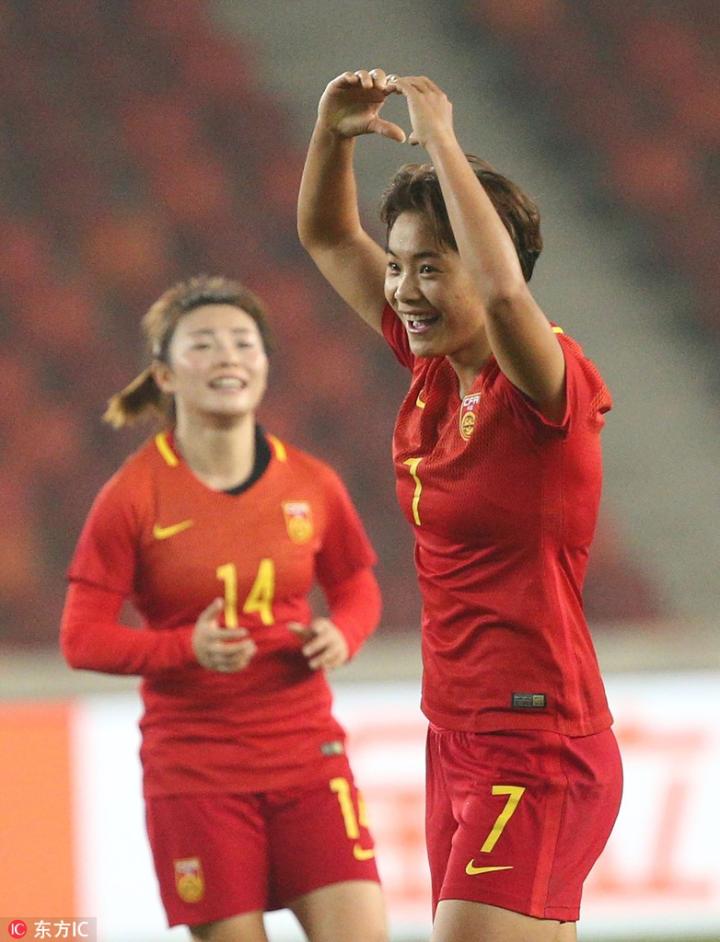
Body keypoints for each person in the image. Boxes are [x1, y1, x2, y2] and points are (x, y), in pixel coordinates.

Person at [297, 69, 623, 942]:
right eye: (397, 266)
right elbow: (327, 235)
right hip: (455, 735)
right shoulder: (434, 369)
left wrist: (440, 138)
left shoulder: (546, 387)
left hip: (538, 743)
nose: (404, 290)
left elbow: (508, 297)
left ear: (482, 266)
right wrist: (332, 131)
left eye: (430, 268)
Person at [60, 275, 388, 942]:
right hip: (197, 774)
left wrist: (344, 632)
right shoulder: (132, 496)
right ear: (165, 375)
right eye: (204, 344)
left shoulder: (312, 482)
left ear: (264, 364)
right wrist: (188, 648)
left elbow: (357, 585)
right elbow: (81, 638)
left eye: (243, 342)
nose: (227, 357)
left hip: (308, 757)